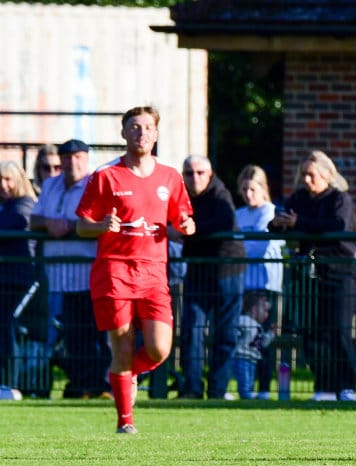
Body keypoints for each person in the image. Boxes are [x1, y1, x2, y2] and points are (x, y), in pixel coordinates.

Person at [76, 106, 196, 434]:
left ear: (156, 134)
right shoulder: (106, 175)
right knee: (123, 346)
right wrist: (100, 225)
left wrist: (186, 225)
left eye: (147, 127)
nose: (141, 133)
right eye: (134, 127)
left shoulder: (170, 176)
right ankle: (125, 421)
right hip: (114, 271)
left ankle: (125, 375)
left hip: (154, 273)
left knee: (159, 349)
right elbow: (81, 225)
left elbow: (183, 218)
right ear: (123, 133)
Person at [269, 150, 356, 402]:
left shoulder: (339, 199)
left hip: (338, 273)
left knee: (338, 330)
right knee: (312, 332)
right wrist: (278, 223)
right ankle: (324, 387)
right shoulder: (299, 198)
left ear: (327, 175)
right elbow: (278, 226)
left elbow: (337, 226)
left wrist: (298, 223)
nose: (307, 180)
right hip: (308, 275)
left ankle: (346, 386)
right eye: (304, 175)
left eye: (312, 175)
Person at [29, 139, 111, 399]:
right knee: (74, 335)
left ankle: (102, 385)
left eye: (77, 157)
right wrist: (50, 223)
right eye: (66, 157)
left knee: (97, 333)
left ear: (87, 159)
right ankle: (81, 385)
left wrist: (72, 226)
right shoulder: (51, 185)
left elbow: (102, 222)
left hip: (90, 273)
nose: (72, 163)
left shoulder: (96, 184)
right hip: (59, 276)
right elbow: (34, 219)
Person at [175, 155, 246, 400]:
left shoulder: (220, 195)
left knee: (225, 332)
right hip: (198, 269)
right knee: (191, 329)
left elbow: (223, 223)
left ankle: (217, 389)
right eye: (189, 173)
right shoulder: (181, 197)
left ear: (210, 174)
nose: (195, 177)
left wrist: (186, 230)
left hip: (227, 271)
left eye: (200, 172)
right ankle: (192, 388)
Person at [235, 164, 285, 399]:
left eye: (253, 189)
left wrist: (240, 248)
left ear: (263, 188)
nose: (248, 194)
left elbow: (258, 247)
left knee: (264, 340)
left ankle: (264, 388)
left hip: (266, 286)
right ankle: (246, 386)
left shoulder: (270, 213)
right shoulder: (239, 214)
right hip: (244, 285)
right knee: (245, 341)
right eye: (244, 189)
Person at [0, 161, 38, 392]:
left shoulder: (24, 205)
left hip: (20, 280)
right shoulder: (5, 206)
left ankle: (10, 383)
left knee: (7, 325)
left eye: (8, 180)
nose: (3, 185)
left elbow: (14, 224)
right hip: (5, 279)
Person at [226, 291, 276, 400]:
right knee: (244, 379)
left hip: (252, 359)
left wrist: (271, 334)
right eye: (265, 310)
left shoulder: (259, 327)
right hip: (241, 357)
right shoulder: (244, 320)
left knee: (250, 380)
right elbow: (235, 331)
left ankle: (248, 394)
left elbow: (262, 344)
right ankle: (245, 395)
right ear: (254, 309)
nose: (267, 314)